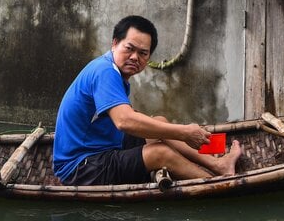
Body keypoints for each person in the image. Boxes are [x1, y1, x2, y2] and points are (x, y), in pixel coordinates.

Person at [52, 15, 242, 186]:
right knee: (160, 152)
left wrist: (174, 132)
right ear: (115, 43)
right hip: (79, 168)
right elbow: (124, 121)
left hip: (100, 147)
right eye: (129, 49)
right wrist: (184, 132)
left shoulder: (113, 72)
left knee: (159, 123)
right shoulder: (105, 72)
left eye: (143, 53)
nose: (135, 57)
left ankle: (219, 165)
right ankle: (216, 184)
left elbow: (128, 116)